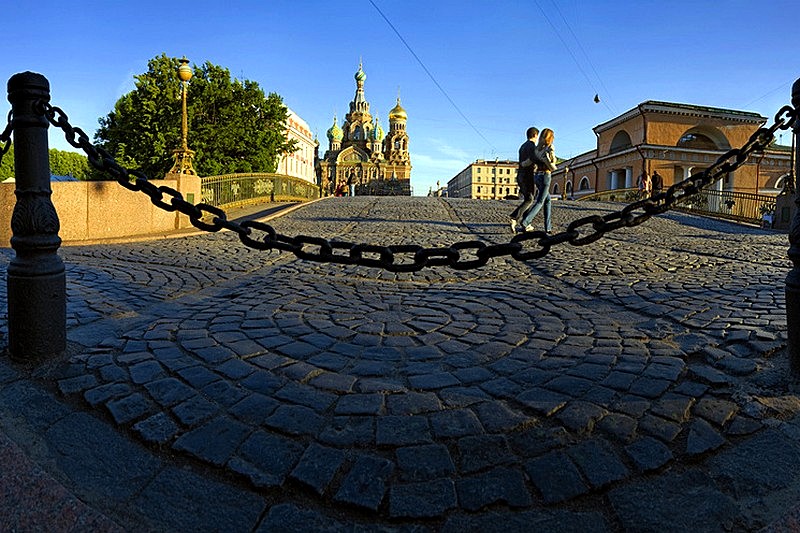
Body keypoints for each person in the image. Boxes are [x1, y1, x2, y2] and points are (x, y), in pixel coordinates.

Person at [520, 128, 556, 233]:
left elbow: (528, 161)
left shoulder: (537, 149)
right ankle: (526, 221)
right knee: (540, 201)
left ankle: (548, 227)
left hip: (537, 177)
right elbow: (552, 164)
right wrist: (550, 162)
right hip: (546, 176)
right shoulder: (550, 148)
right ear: (550, 138)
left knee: (547, 200)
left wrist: (522, 164)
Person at [509, 127, 539, 232]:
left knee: (528, 199)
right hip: (527, 175)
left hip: (520, 175)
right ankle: (514, 217)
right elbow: (533, 159)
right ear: (535, 135)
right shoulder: (531, 145)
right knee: (530, 199)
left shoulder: (522, 146)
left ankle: (526, 224)